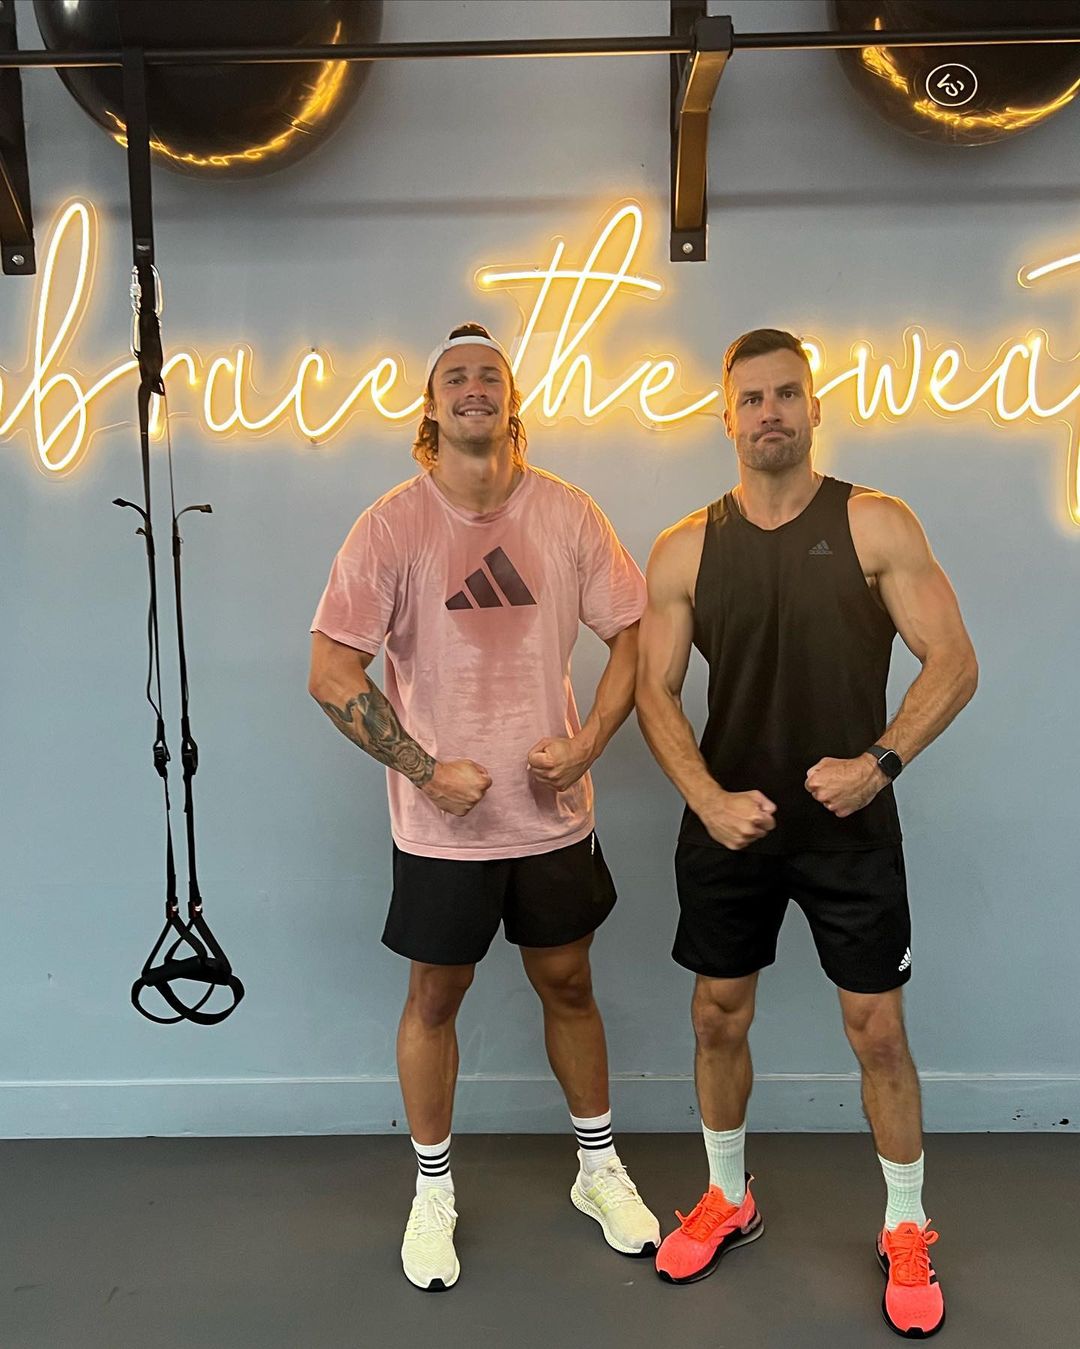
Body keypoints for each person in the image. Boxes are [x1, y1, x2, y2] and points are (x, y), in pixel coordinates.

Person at [635, 328, 977, 1339]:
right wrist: (705, 797)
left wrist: (878, 763)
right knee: (716, 1017)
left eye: (787, 393)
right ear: (727, 416)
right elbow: (653, 690)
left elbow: (954, 659)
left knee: (879, 1031)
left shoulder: (876, 524)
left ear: (815, 407)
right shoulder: (686, 547)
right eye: (751, 398)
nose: (770, 411)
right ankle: (728, 1195)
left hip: (847, 828)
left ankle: (905, 1222)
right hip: (731, 827)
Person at [308, 322, 660, 1291]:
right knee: (435, 997)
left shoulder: (569, 514)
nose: (474, 386)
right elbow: (331, 670)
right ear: (431, 406)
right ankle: (433, 1189)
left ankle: (598, 1168)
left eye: (489, 375)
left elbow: (634, 633)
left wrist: (589, 741)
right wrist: (425, 770)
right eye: (455, 376)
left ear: (512, 399)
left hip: (552, 816)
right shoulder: (392, 525)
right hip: (443, 826)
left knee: (571, 983)